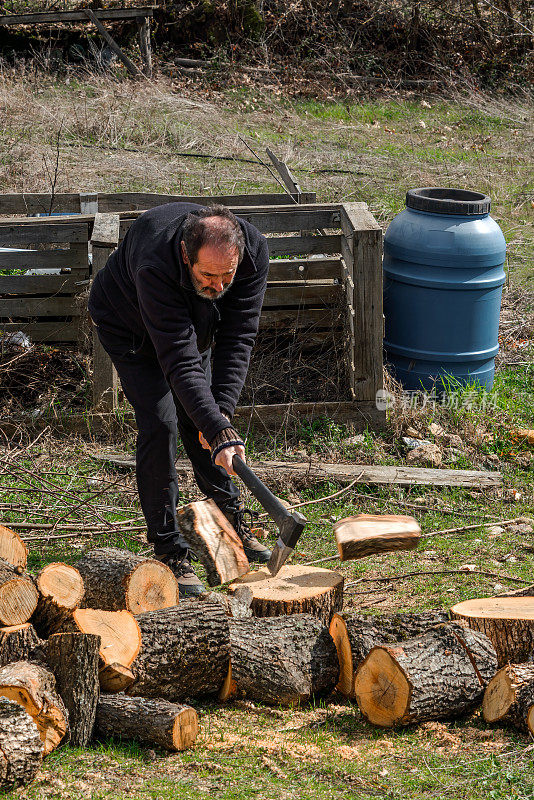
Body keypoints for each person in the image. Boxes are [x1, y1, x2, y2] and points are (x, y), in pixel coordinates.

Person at [88, 202, 271, 596]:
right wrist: (216, 424)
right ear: (187, 255)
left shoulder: (253, 251)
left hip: (191, 329)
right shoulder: (156, 260)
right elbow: (177, 357)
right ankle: (169, 547)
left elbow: (238, 337)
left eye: (228, 275)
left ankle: (231, 523)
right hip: (130, 328)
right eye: (208, 275)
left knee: (202, 419)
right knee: (161, 423)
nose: (219, 287)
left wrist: (220, 415)